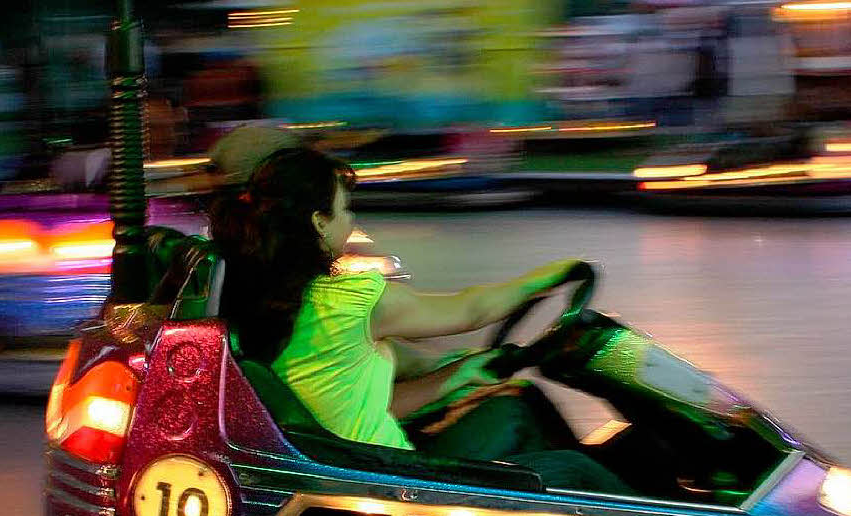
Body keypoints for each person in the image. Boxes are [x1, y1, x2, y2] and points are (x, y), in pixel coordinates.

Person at [210, 146, 630, 493]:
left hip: (354, 468)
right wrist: (560, 271)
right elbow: (473, 310)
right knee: (572, 467)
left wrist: (459, 374)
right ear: (319, 222)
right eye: (345, 209)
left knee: (516, 401)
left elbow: (364, 407)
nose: (353, 220)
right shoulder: (348, 302)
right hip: (395, 484)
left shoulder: (260, 302)